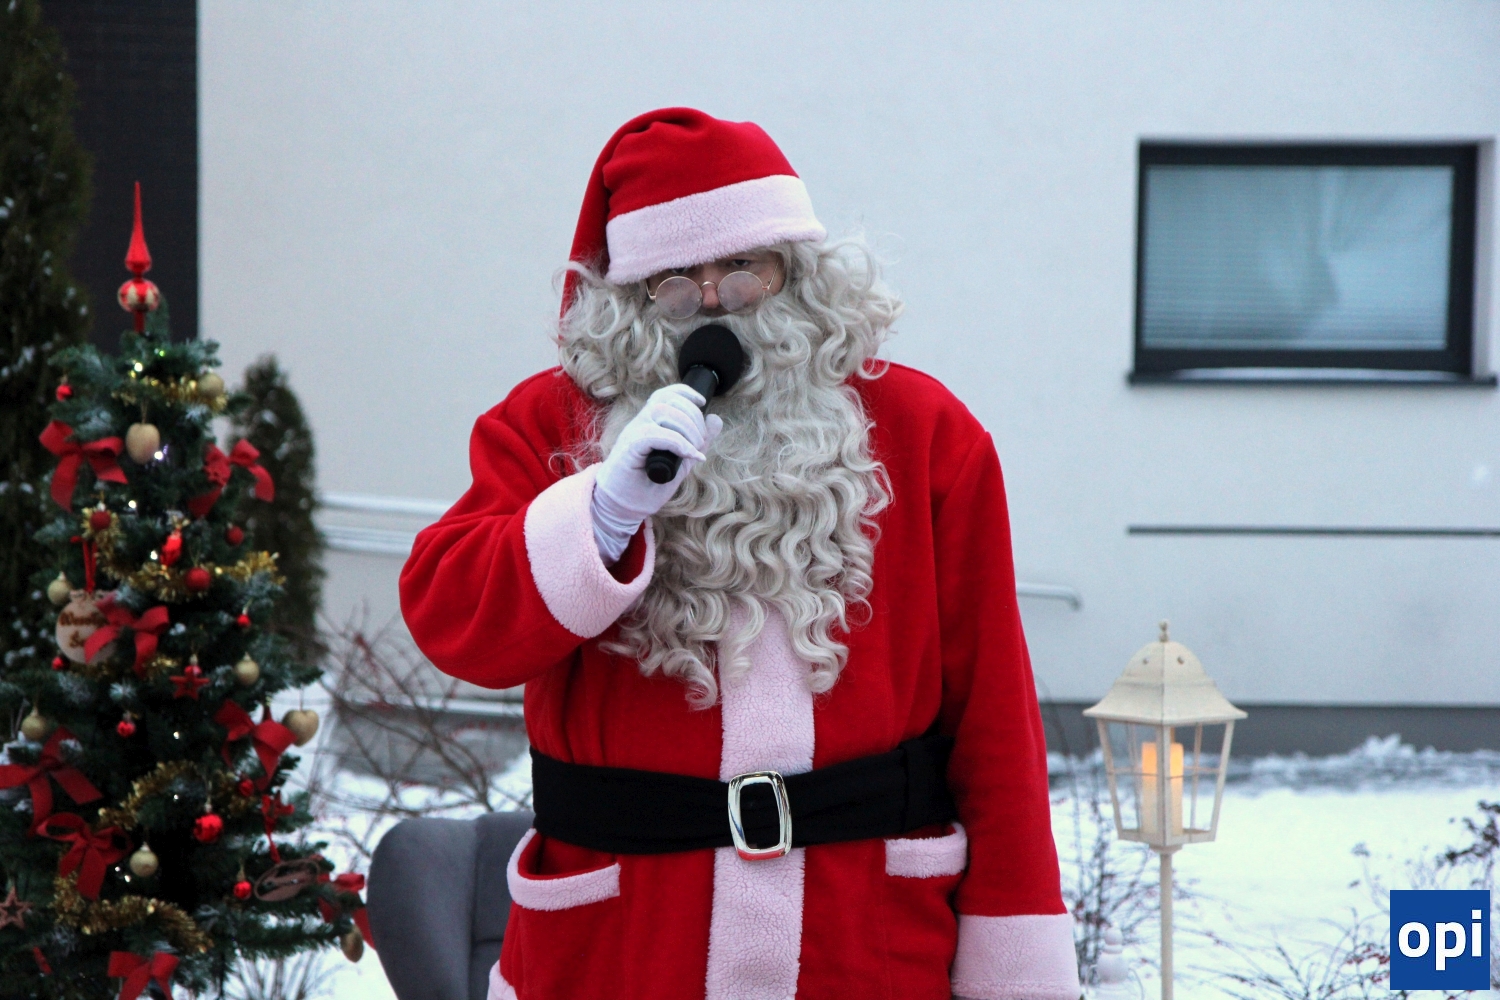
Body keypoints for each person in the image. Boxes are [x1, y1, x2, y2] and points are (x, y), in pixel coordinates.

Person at [400, 107, 1080, 1000]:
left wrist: (1015, 960)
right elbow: (452, 623)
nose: (716, 302)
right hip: (621, 951)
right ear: (628, 301)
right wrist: (602, 514)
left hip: (865, 945)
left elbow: (995, 724)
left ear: (799, 271)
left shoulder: (926, 436)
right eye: (676, 284)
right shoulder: (549, 426)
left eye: (746, 269)